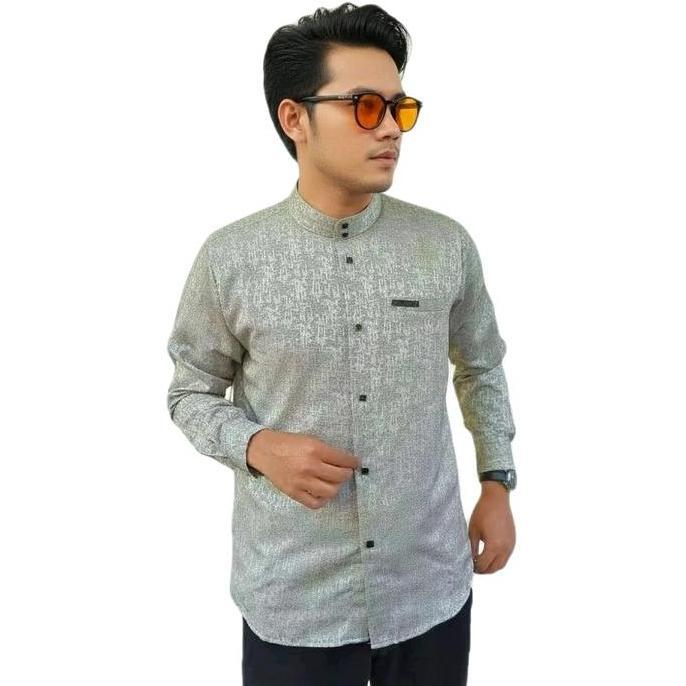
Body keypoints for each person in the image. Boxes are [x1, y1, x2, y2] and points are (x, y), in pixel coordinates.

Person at [165, 3, 517, 684]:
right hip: (295, 599)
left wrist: (497, 482)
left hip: (428, 587)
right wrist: (257, 446)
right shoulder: (230, 259)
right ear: (294, 118)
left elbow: (481, 366)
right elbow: (188, 392)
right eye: (364, 106)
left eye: (398, 108)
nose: (390, 128)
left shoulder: (445, 245)